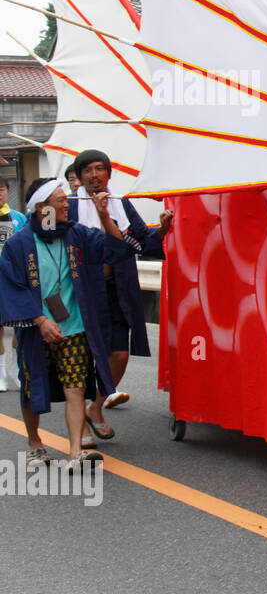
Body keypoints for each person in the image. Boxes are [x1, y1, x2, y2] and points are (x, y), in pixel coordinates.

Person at [0, 179, 130, 468]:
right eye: (60, 200)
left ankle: (75, 452)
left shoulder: (77, 235)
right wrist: (40, 319)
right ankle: (35, 442)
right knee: (31, 389)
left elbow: (116, 250)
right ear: (42, 208)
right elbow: (13, 287)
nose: (66, 205)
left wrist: (104, 215)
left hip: (74, 329)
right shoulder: (19, 245)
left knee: (76, 389)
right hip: (36, 331)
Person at [72, 149, 172, 440]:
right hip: (84, 293)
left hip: (119, 290)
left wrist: (163, 230)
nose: (95, 175)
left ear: (109, 174)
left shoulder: (121, 204)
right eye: (88, 170)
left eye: (100, 169)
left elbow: (143, 242)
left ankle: (96, 406)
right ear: (79, 178)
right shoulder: (71, 207)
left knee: (119, 354)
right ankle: (78, 430)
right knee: (83, 357)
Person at [0, 178, 28, 392]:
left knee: (20, 329)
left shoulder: (19, 218)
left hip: (16, 280)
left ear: (7, 192)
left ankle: (16, 370)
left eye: (1, 190)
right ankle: (0, 375)